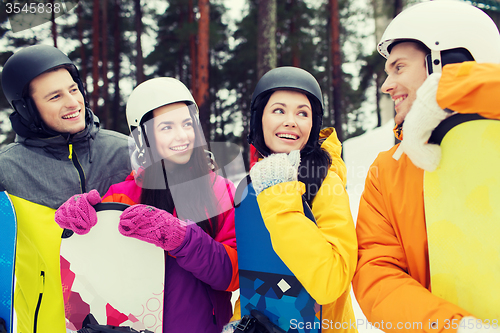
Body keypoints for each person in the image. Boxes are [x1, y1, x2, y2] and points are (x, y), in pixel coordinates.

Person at [352, 1, 500, 332]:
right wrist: (452, 327)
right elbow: (376, 273)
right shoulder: (386, 171)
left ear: (445, 61)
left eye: (399, 68)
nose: (386, 85)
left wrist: (448, 88)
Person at [55, 77, 239, 333]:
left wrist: (183, 239)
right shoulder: (122, 196)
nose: (183, 135)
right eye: (166, 127)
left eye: (188, 124)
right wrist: (79, 227)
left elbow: (231, 275)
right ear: (142, 137)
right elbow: (93, 269)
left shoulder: (221, 192)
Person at [0, 44, 131, 332]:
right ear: (27, 109)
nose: (73, 102)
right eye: (55, 96)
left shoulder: (125, 152)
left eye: (73, 90)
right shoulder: (6, 171)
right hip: (49, 324)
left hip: (131, 319)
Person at [229, 66, 358, 332]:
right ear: (259, 119)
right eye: (279, 110)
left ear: (313, 125)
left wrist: (280, 197)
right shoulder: (251, 186)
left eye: (302, 113)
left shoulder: (326, 183)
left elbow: (331, 282)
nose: (291, 121)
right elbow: (255, 277)